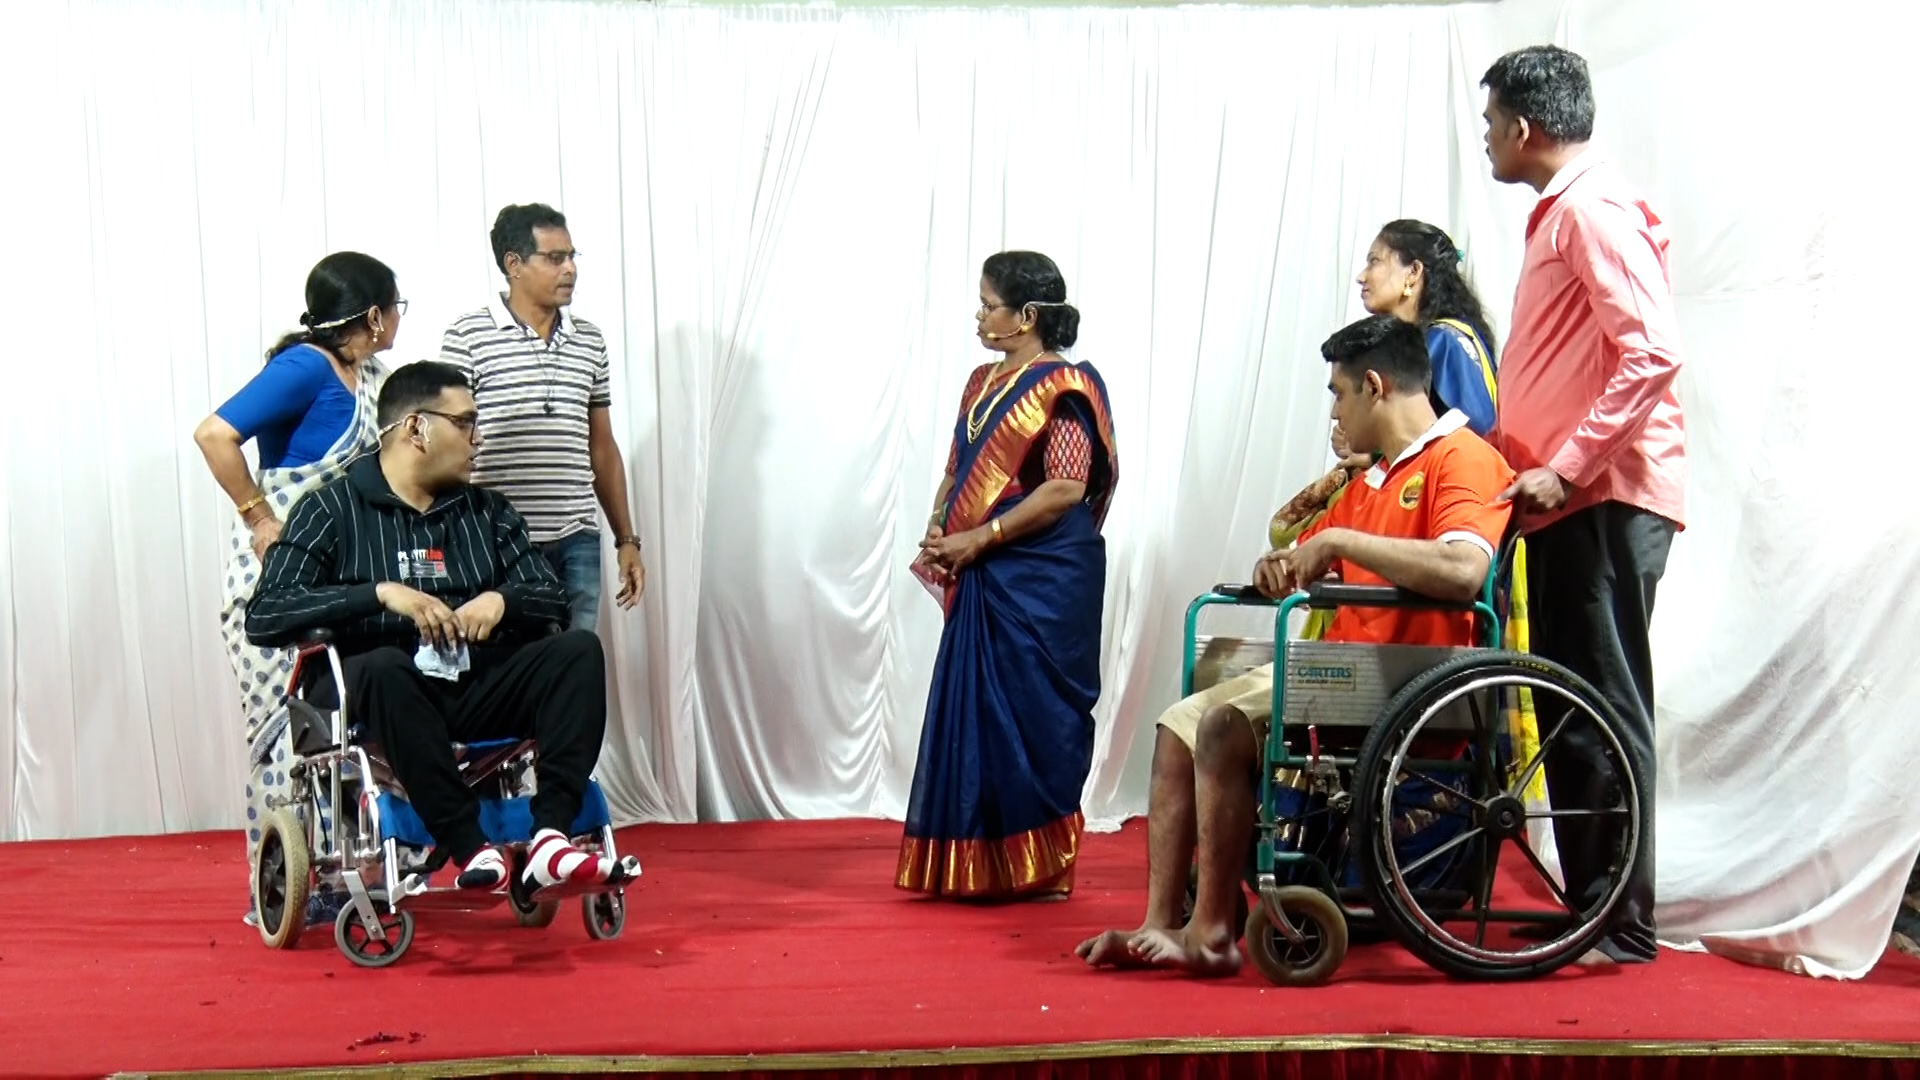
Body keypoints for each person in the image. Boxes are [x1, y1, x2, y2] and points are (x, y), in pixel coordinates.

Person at [1076, 315, 1514, 976]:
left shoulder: (1464, 459)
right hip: (1346, 667)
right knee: (1177, 727)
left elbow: (1462, 571)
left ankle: (1212, 932)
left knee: (1221, 727)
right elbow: (1307, 552)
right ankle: (1164, 923)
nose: (1334, 410)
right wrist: (1280, 568)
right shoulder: (1373, 479)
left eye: (1339, 393)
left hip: (1412, 678)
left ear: (1374, 386)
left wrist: (1336, 543)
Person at [245, 361, 622, 893]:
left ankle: (550, 838)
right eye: (465, 423)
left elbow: (550, 596)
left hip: (465, 683)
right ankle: (469, 844)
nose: (477, 438)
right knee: (385, 666)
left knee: (578, 651)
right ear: (416, 428)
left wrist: (501, 601)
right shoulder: (330, 508)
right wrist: (378, 594)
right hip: (373, 695)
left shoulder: (486, 512)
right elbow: (265, 614)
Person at [1481, 45, 1686, 965]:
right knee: (1573, 703)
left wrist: (1565, 468)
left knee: (1602, 701)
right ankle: (1592, 906)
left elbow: (1652, 353)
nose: (1488, 138)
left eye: (1491, 123)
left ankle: (1622, 923)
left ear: (1524, 127)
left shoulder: (1592, 209)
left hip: (1601, 497)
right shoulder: (1565, 211)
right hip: (1568, 501)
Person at [896, 251, 1119, 901]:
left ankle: (1043, 868)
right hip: (984, 571)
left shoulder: (1064, 386)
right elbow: (957, 467)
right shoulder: (980, 382)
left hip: (1042, 576)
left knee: (1036, 715)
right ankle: (976, 865)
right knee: (978, 719)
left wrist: (980, 536)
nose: (978, 315)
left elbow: (1066, 488)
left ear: (1026, 316)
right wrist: (940, 525)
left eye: (988, 304)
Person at [191, 251, 401, 921]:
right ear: (374, 315)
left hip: (340, 582)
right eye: (396, 306)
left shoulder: (372, 378)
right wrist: (259, 517)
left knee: (340, 731)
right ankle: (281, 889)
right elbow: (215, 434)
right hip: (277, 582)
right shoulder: (305, 368)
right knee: (282, 734)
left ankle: (342, 877)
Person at [438, 203, 645, 632]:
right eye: (554, 258)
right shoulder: (468, 335)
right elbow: (448, 438)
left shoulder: (589, 340)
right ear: (513, 264)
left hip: (577, 538)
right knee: (507, 663)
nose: (570, 269)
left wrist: (626, 539)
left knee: (577, 660)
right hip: (495, 537)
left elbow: (602, 446)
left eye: (571, 256)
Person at [1357, 219, 1500, 437]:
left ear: (1413, 271)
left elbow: (1476, 439)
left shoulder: (1445, 342)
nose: (1361, 277)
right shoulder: (1420, 341)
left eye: (1374, 261)